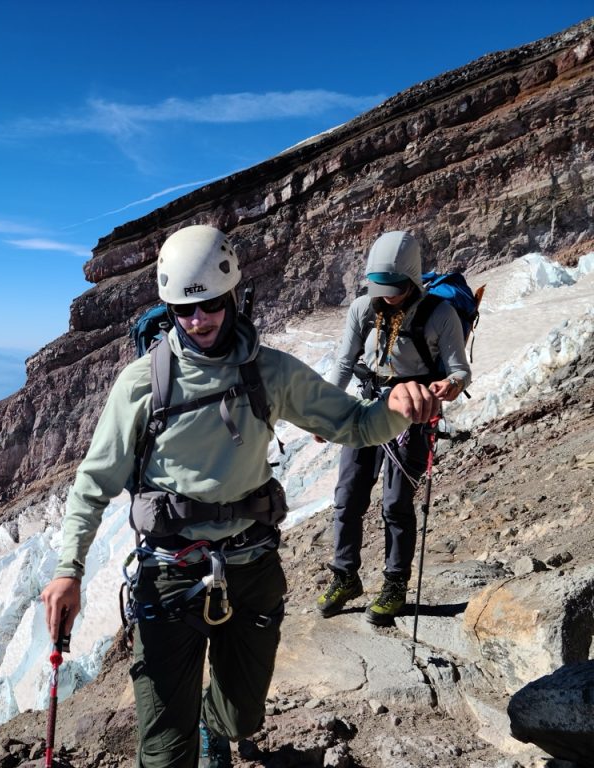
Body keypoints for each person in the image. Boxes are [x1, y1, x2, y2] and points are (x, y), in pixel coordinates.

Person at [40, 225, 441, 768]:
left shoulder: (269, 372)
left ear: (232, 297)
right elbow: (93, 483)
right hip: (170, 571)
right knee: (162, 753)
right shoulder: (142, 383)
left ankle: (218, 725)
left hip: (250, 563)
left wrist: (397, 405)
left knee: (243, 716)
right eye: (183, 311)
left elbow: (353, 423)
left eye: (207, 305)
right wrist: (70, 569)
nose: (197, 321)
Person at [315, 230, 472, 626]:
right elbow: (345, 363)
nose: (386, 294)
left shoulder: (440, 314)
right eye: (380, 287)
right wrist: (323, 412)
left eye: (394, 288)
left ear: (412, 279)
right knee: (348, 494)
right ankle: (345, 575)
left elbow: (459, 370)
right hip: (366, 407)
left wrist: (448, 386)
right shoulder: (362, 309)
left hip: (412, 417)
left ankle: (395, 583)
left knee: (396, 503)